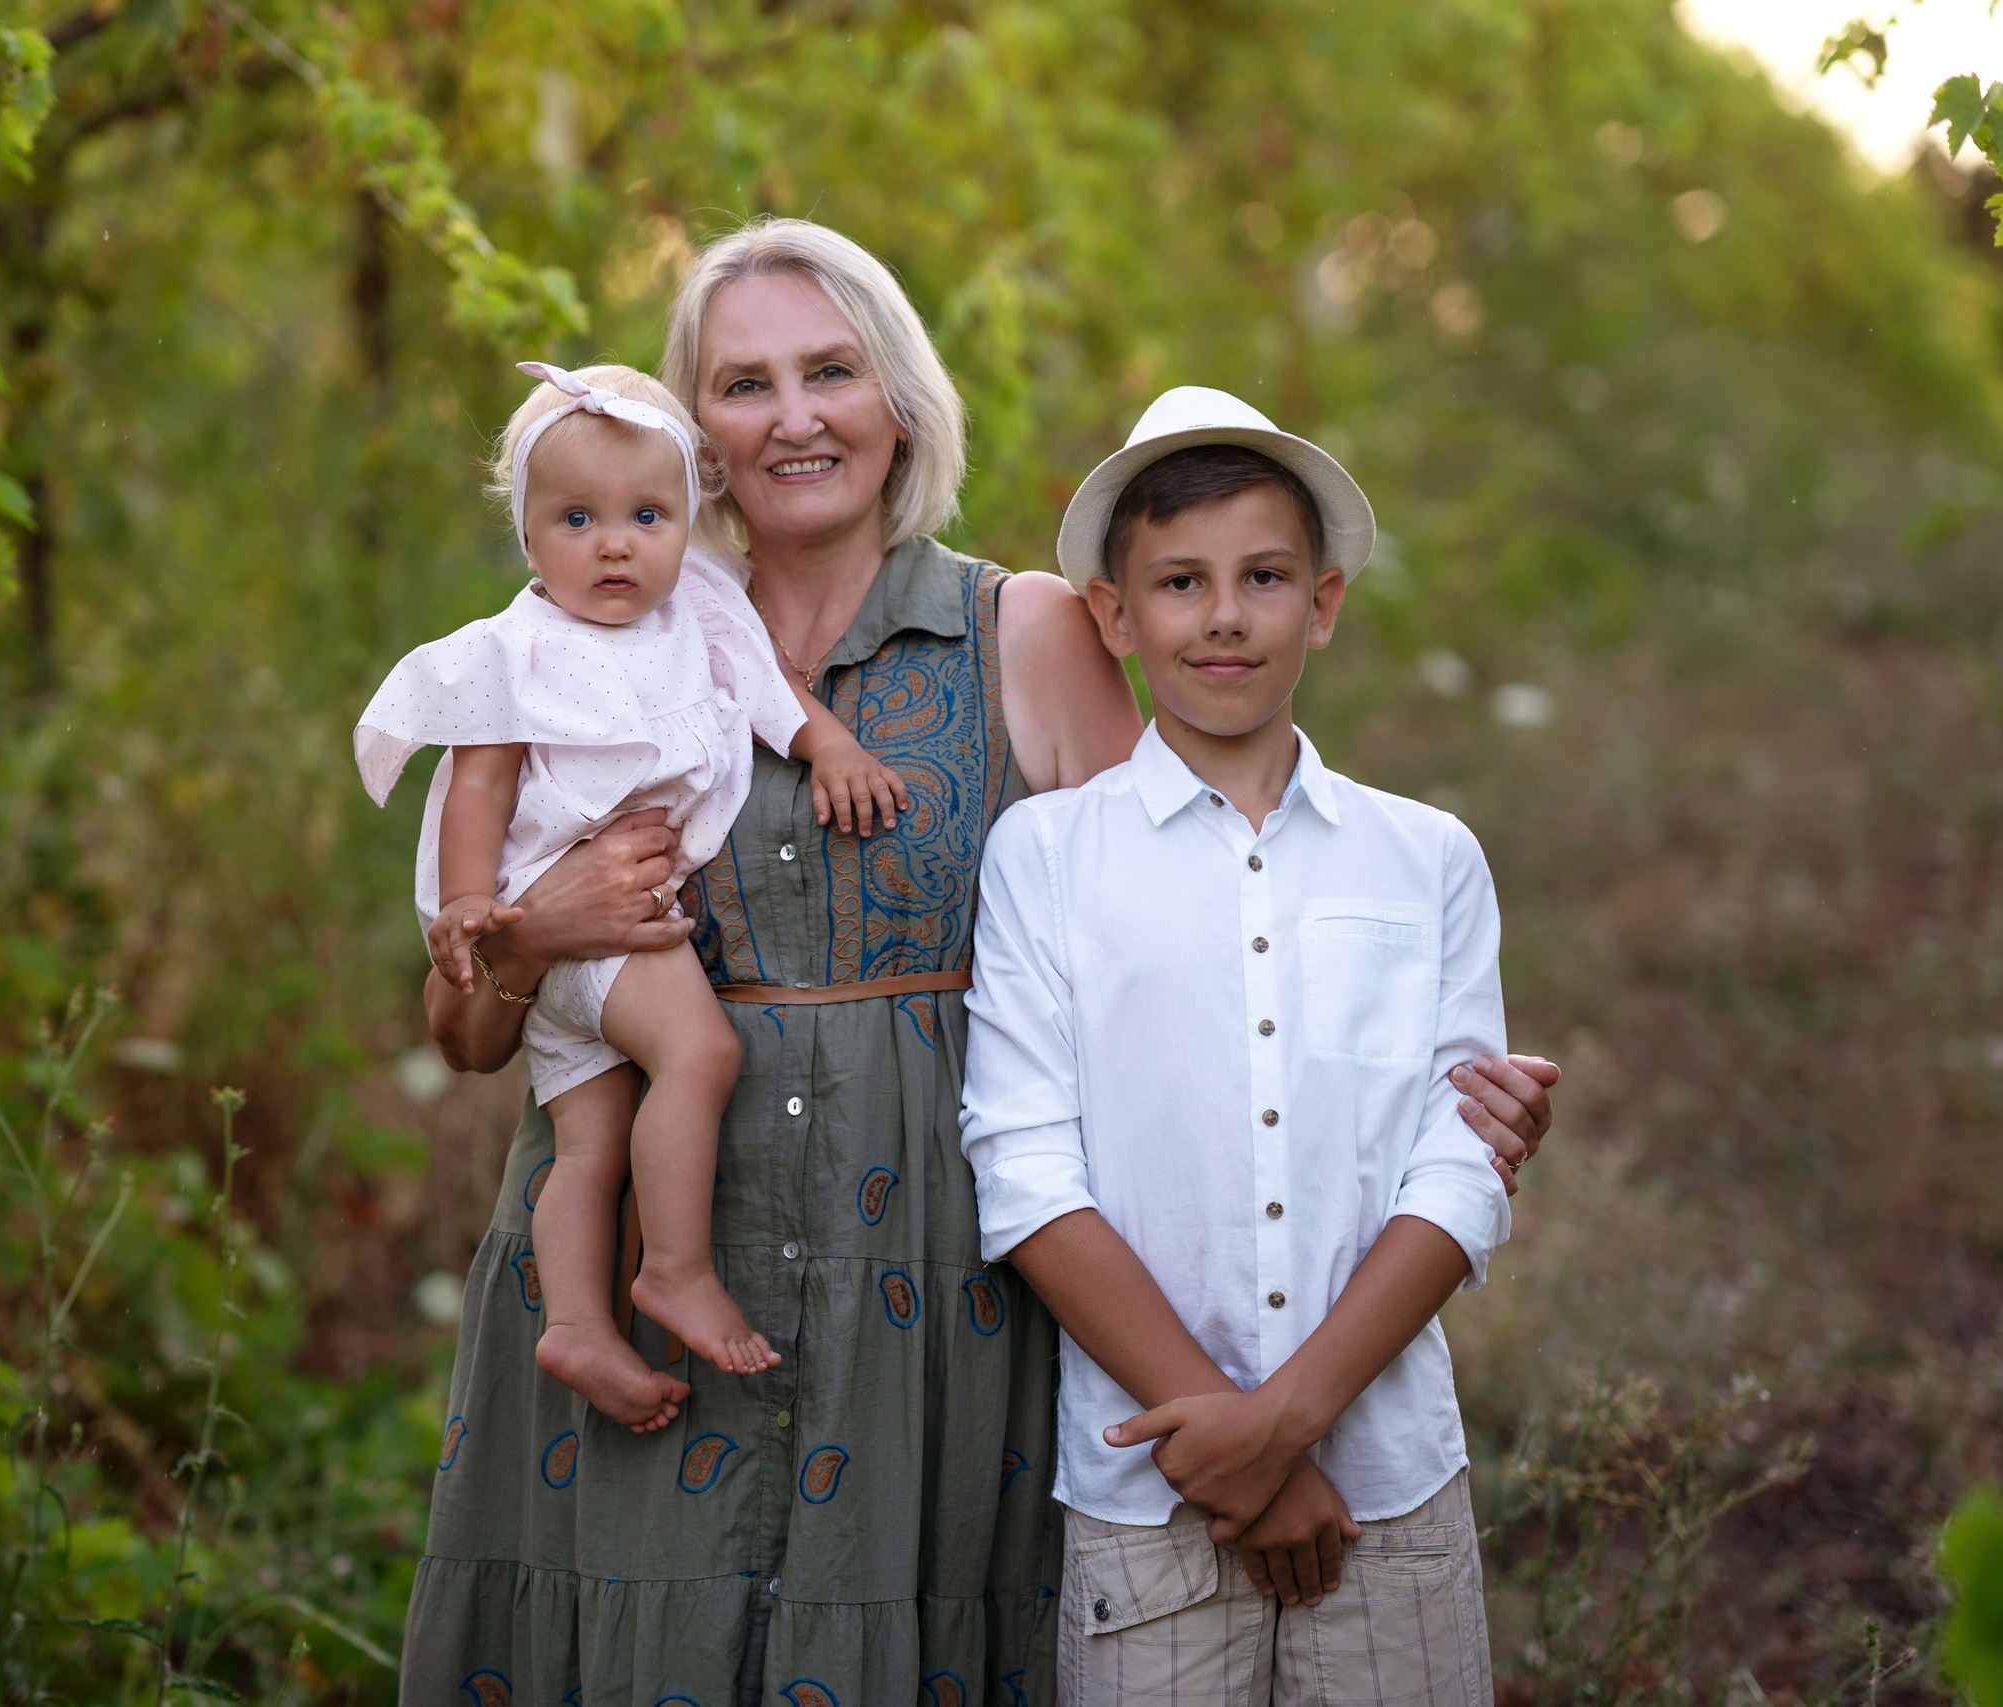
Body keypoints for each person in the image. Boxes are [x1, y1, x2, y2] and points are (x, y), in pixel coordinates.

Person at [401, 220, 1559, 1707]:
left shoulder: (1015, 627)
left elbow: (1191, 926)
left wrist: (1425, 1088)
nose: (797, 414)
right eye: (744, 383)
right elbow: (468, 1030)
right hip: (643, 1262)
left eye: (832, 369)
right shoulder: (590, 637)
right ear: (689, 432)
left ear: (899, 398)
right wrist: (538, 928)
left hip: (938, 1285)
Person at [961, 386, 1516, 1703]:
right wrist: (1230, 1444)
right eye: (1179, 581)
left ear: (1321, 604)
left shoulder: (1424, 855)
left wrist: (1282, 1422)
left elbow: (1461, 1163)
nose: (1222, 614)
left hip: (1389, 1480)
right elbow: (1028, 1171)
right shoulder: (1046, 856)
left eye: (1263, 576)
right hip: (1149, 1485)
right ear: (1116, 617)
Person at [356, 361, 911, 1430]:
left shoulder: (693, 609)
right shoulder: (513, 653)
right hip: (575, 920)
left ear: (688, 521)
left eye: (646, 516)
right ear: (526, 538)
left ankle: (576, 1326)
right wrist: (470, 903)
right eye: (577, 518)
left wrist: (828, 743)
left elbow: (768, 690)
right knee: (700, 1056)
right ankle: (673, 1268)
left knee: (592, 1145)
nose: (616, 544)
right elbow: (478, 783)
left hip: (579, 960)